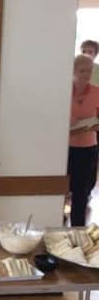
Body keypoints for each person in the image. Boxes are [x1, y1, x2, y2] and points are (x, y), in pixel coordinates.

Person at [68, 54, 99, 227]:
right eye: (82, 70)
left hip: (87, 149)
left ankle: (77, 233)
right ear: (73, 71)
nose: (86, 74)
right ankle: (56, 231)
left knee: (81, 194)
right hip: (64, 149)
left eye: (89, 70)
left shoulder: (97, 91)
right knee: (60, 191)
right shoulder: (63, 90)